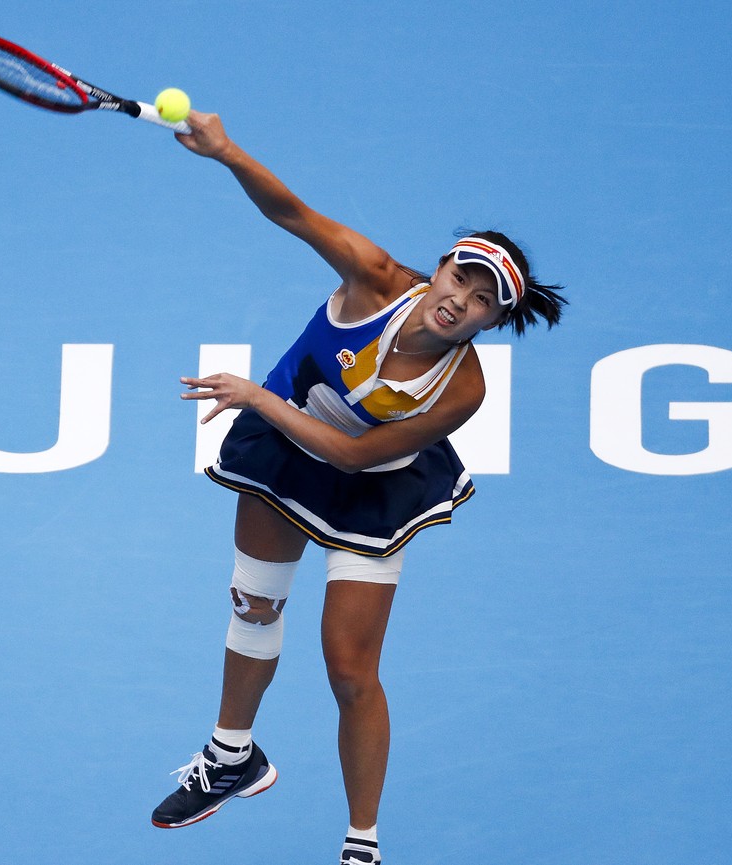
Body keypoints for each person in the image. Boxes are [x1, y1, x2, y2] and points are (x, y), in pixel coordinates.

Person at [150, 111, 566, 865]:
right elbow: (292, 212)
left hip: (371, 484)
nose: (460, 299)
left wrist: (259, 397)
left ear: (494, 320)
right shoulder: (373, 277)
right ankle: (231, 754)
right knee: (254, 604)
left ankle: (362, 844)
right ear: (439, 267)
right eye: (459, 277)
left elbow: (349, 455)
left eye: (481, 300)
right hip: (284, 454)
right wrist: (224, 150)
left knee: (349, 667)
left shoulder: (463, 388)